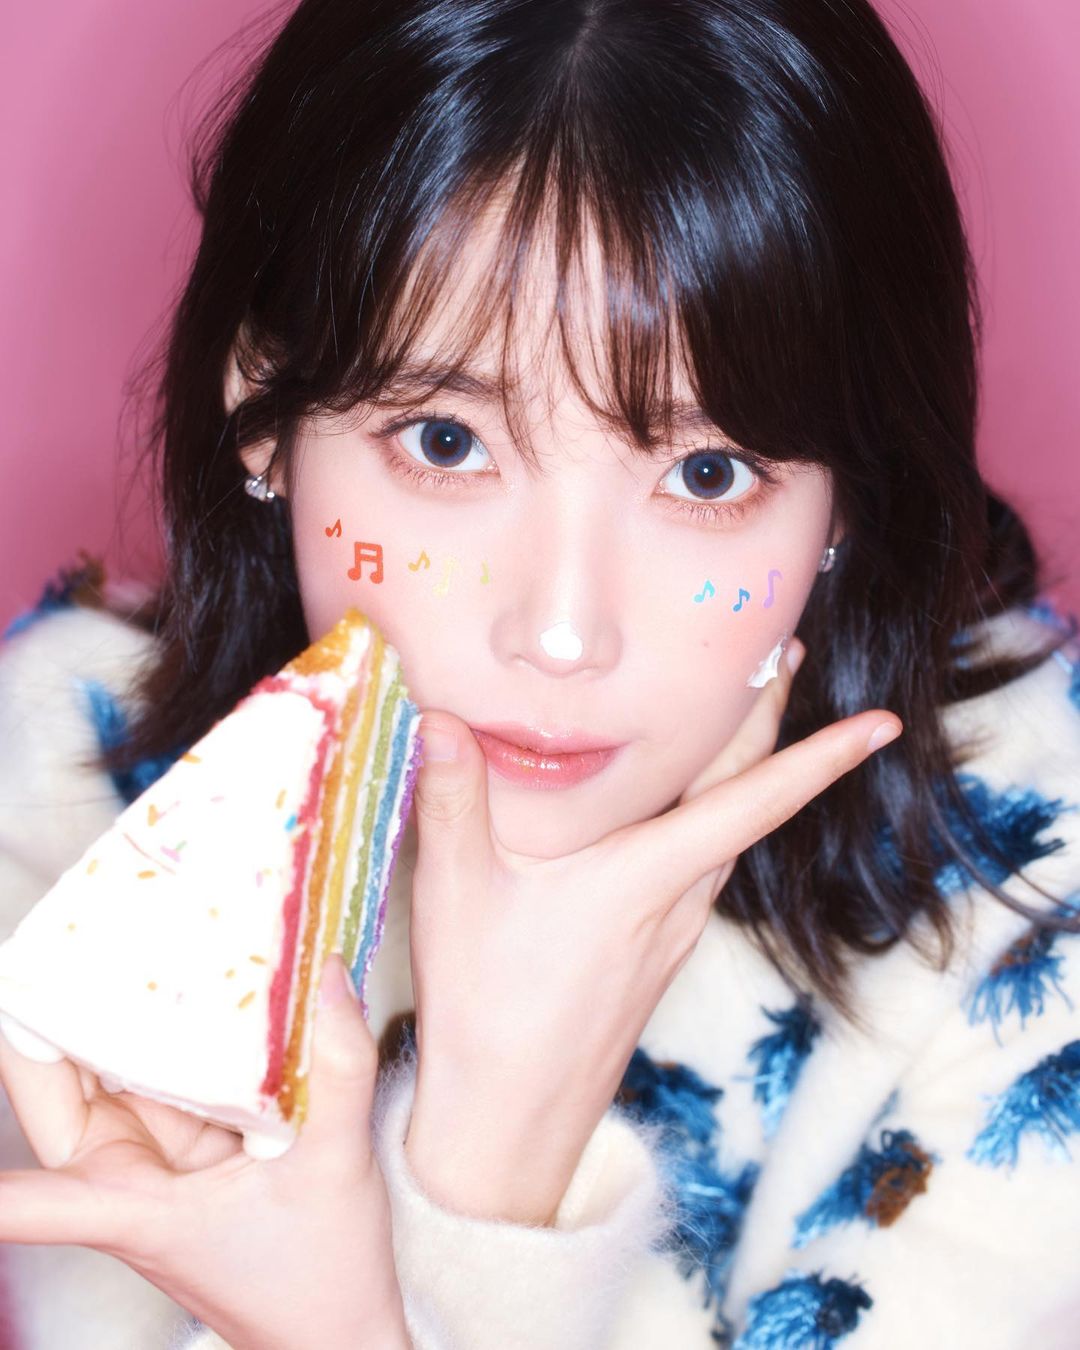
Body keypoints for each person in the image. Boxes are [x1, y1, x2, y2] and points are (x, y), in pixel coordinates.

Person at [1, 0, 1079, 1345]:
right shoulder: (80, 808)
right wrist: (474, 1158)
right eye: (447, 443)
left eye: (706, 473)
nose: (562, 633)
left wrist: (445, 1209)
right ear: (265, 413)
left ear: (848, 493)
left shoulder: (1029, 887)